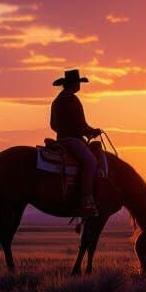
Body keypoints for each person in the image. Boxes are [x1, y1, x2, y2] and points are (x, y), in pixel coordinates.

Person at [50, 68, 101, 217]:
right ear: (73, 84)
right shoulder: (71, 99)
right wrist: (91, 131)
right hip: (72, 140)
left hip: (61, 139)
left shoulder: (57, 101)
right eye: (78, 83)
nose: (79, 86)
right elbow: (80, 125)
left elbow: (53, 125)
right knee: (91, 162)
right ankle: (86, 200)